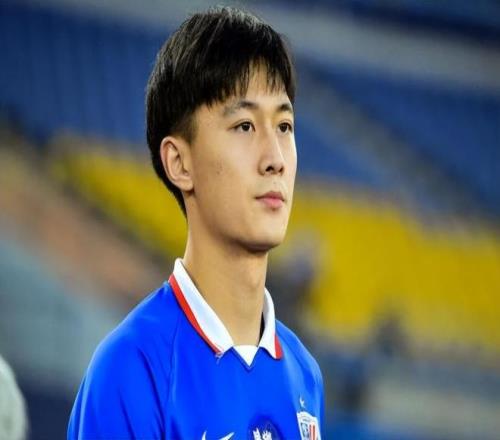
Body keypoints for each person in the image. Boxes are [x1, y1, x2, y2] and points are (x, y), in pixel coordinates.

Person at [68, 6, 324, 439]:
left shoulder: (305, 374)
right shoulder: (132, 368)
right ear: (179, 163)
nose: (275, 159)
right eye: (244, 126)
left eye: (284, 125)